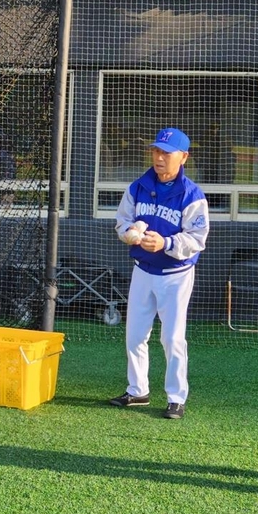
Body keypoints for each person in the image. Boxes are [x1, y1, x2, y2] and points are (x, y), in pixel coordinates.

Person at [109, 127, 209, 420]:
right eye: (156, 150)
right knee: (135, 335)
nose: (160, 157)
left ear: (184, 157)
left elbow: (197, 239)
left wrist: (165, 243)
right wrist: (127, 233)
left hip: (176, 275)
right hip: (142, 270)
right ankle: (137, 391)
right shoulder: (138, 186)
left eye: (167, 152)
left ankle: (176, 398)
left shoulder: (192, 195)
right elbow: (122, 221)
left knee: (172, 338)